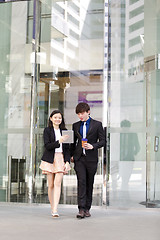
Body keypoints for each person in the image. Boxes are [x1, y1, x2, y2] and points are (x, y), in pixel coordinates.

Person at [70, 102, 105, 219]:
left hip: (91, 159)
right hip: (79, 158)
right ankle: (81, 209)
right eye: (78, 114)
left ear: (88, 112)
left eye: (82, 113)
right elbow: (72, 143)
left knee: (90, 183)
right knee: (81, 182)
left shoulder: (97, 125)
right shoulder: (75, 125)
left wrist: (93, 146)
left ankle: (87, 208)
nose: (80, 116)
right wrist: (71, 156)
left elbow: (103, 141)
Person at [39, 110, 71, 218]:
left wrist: (67, 162)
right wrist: (59, 141)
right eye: (56, 117)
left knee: (58, 183)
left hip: (60, 158)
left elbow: (67, 149)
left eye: (60, 118)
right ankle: (52, 207)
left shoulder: (65, 131)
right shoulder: (47, 130)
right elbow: (47, 146)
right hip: (49, 158)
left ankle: (55, 209)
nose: (58, 119)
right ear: (51, 118)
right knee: (51, 184)